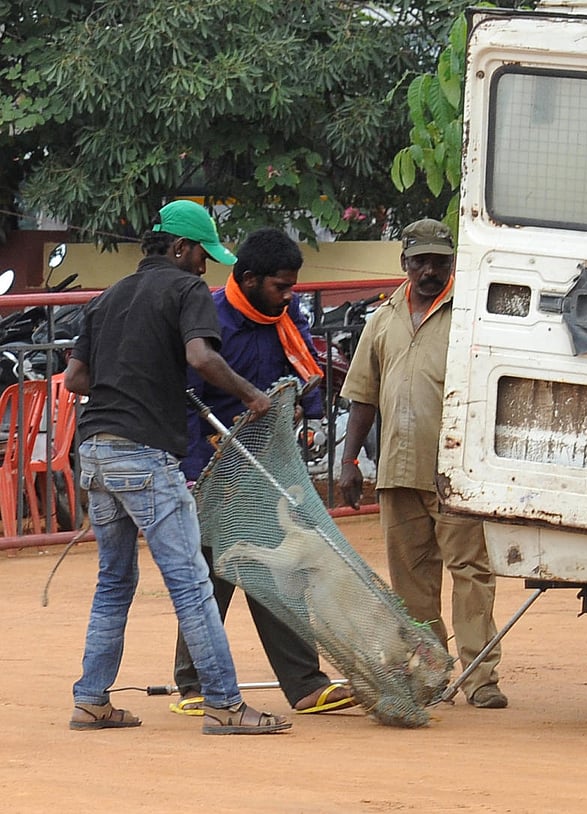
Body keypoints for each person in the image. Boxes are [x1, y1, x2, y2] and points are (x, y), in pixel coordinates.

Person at [65, 200, 291, 735]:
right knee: (191, 583)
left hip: (95, 452)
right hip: (144, 456)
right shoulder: (186, 291)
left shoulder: (107, 297)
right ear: (179, 248)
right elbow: (203, 360)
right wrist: (254, 397)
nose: (204, 268)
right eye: (200, 255)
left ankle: (91, 700)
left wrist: (128, 382)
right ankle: (226, 706)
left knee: (114, 582)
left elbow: (75, 379)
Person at [169, 227, 355, 716]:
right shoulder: (209, 319)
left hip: (267, 457)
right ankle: (194, 685)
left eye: (292, 286)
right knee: (214, 572)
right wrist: (194, 469)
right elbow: (185, 399)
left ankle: (306, 685)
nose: (289, 296)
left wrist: (310, 414)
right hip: (213, 462)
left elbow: (303, 366)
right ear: (248, 279)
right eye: (281, 287)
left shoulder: (284, 315)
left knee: (279, 567)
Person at [339, 218, 507, 709]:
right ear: (404, 263)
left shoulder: (472, 313)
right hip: (396, 469)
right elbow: (362, 397)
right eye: (422, 261)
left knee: (470, 571)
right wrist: (349, 459)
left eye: (441, 261)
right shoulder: (382, 320)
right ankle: (431, 675)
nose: (431, 270)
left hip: (455, 469)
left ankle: (481, 679)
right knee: (411, 579)